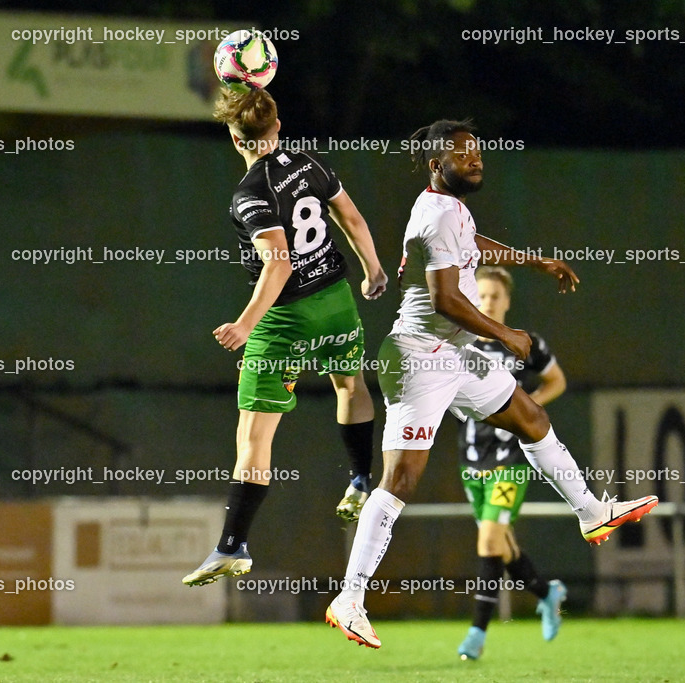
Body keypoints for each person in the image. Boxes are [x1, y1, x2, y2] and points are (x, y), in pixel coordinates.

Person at [325, 119, 658, 649]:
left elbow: (472, 245)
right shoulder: (436, 215)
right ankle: (350, 598)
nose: (476, 159)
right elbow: (445, 300)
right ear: (437, 165)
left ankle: (592, 512)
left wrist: (532, 260)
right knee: (401, 480)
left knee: (531, 417)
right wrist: (506, 334)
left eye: (478, 152)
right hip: (417, 359)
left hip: (452, 356)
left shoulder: (451, 208)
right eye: (463, 154)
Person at [183, 88, 387, 587]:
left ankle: (232, 545)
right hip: (337, 301)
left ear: (236, 139)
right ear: (277, 126)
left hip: (286, 318)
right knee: (350, 385)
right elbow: (351, 218)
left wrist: (245, 324)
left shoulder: (250, 194)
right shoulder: (311, 164)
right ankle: (361, 478)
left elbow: (278, 262)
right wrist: (374, 269)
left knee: (253, 435)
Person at [455, 265, 567, 660]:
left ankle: (476, 634)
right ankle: (547, 592)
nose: (487, 302)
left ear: (506, 302)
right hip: (472, 459)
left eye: (494, 297)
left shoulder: (522, 343)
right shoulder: (459, 342)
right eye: (481, 296)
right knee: (502, 546)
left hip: (511, 460)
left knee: (488, 540)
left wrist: (528, 406)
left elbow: (557, 380)